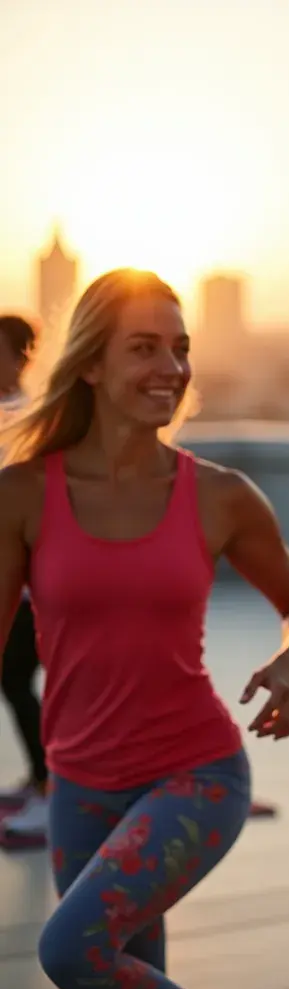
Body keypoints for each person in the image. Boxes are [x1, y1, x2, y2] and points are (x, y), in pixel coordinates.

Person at [0, 269, 289, 989]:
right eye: (143, 348)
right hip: (76, 787)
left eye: (179, 349)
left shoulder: (221, 495)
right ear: (90, 363)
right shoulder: (22, 494)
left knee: (71, 952)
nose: (171, 369)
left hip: (196, 774)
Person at [0, 315, 50, 839]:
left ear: (21, 357)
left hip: (33, 584)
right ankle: (42, 778)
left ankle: (48, 785)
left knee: (18, 678)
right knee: (17, 680)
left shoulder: (26, 419)